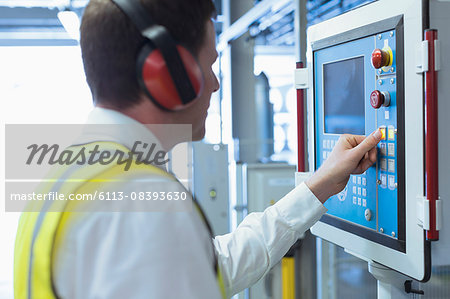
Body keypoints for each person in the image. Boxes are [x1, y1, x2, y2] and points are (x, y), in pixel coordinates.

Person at [14, 0, 381, 298]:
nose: (216, 84)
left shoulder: (79, 173)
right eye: (209, 65)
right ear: (168, 75)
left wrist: (317, 189)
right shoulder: (139, 200)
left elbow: (211, 267)